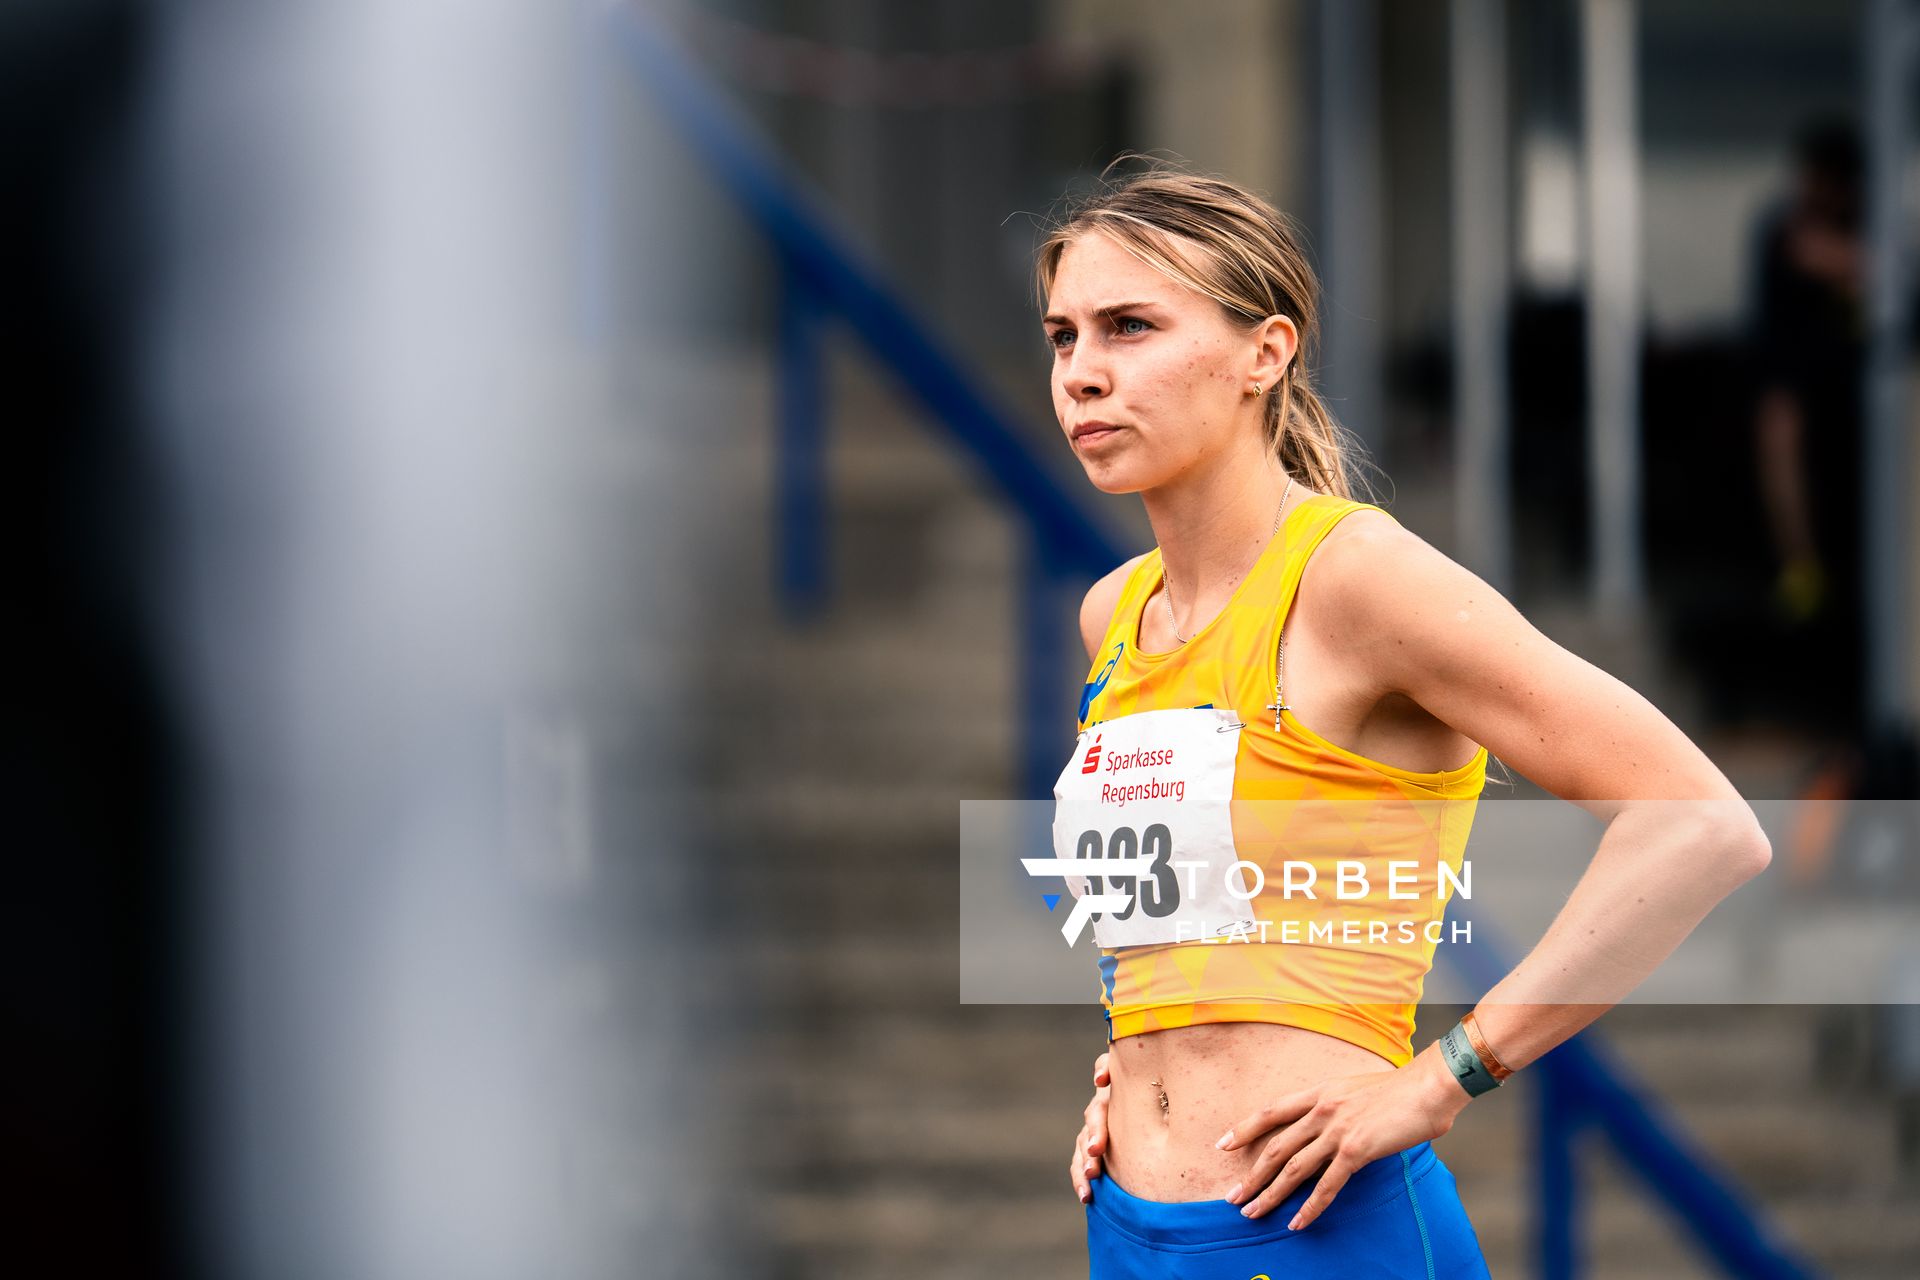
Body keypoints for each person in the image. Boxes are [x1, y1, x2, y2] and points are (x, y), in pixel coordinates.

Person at [1036, 158, 1773, 1277]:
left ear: (1265, 353)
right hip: (1132, 1225)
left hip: (1322, 1226)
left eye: (1129, 327)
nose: (1083, 373)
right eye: (1063, 336)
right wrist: (1141, 1063)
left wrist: (1445, 1077)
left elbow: (1702, 824)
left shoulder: (1357, 580)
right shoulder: (1113, 611)